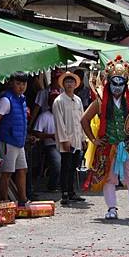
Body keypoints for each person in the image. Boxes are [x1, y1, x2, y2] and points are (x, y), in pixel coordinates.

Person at [81, 56, 129, 220]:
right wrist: (93, 140)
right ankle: (111, 208)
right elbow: (84, 120)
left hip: (128, 145)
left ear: (125, 84)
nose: (118, 87)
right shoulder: (99, 103)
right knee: (109, 178)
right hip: (107, 145)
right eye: (115, 83)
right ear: (108, 83)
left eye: (121, 84)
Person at [0, 72, 29, 207]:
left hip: (19, 142)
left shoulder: (22, 99)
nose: (21, 87)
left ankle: (23, 199)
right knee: (6, 173)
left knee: (22, 170)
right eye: (18, 83)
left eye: (24, 84)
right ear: (11, 83)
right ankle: (4, 202)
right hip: (7, 141)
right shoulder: (6, 100)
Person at [53, 71, 86, 205]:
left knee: (73, 166)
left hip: (77, 138)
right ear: (63, 84)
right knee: (65, 166)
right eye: (67, 82)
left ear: (75, 84)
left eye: (71, 82)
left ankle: (72, 192)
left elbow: (82, 119)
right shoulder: (59, 101)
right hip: (66, 140)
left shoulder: (78, 100)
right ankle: (64, 193)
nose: (69, 84)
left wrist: (84, 138)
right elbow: (59, 122)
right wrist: (64, 139)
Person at [33, 89, 62, 192]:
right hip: (51, 145)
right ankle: (52, 185)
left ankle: (65, 185)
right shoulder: (44, 116)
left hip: (64, 144)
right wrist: (50, 136)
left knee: (76, 156)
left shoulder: (64, 115)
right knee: (57, 162)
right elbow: (36, 132)